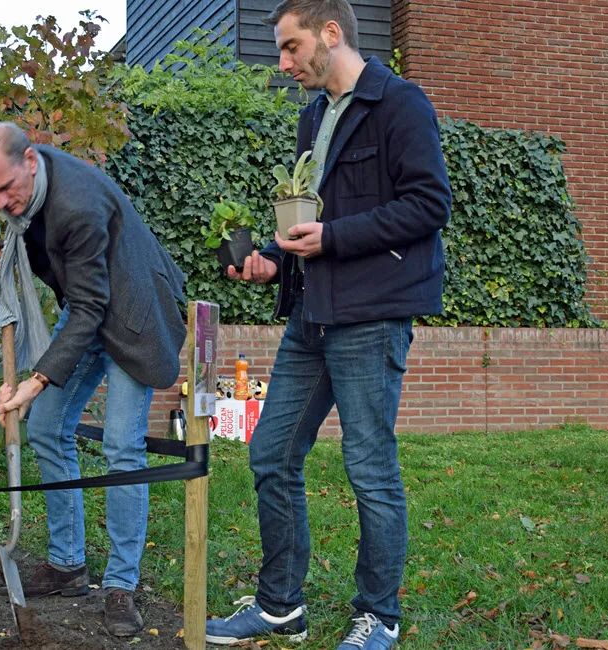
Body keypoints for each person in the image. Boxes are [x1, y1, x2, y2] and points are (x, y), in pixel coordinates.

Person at [204, 1, 452, 649]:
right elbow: (310, 217)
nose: (284, 63)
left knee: (368, 465)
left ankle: (380, 616)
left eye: (291, 48)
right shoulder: (314, 116)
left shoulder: (400, 104)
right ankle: (282, 604)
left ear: (331, 33)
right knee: (271, 452)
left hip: (372, 314)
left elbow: (429, 204)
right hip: (313, 315)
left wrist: (333, 237)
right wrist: (270, 257)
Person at [0, 122, 187, 637]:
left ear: (31, 162)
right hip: (89, 307)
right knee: (45, 430)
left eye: (4, 189)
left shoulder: (77, 203)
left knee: (121, 447)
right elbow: (42, 241)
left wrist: (35, 381)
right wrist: (10, 247)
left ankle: (121, 586)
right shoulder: (28, 189)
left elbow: (89, 307)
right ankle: (68, 566)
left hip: (133, 316)